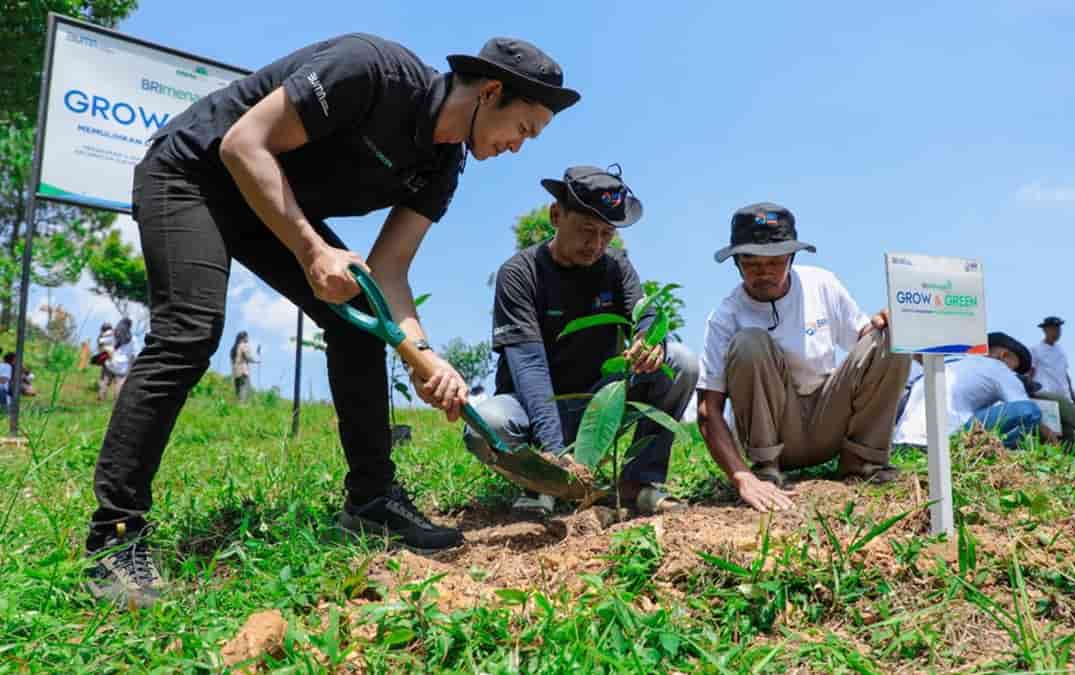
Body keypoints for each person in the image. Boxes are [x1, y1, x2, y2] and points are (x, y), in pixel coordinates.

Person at [84, 34, 581, 609]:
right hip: (193, 172)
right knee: (190, 331)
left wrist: (424, 358)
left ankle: (372, 505)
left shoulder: (442, 166)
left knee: (358, 319)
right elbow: (243, 144)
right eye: (524, 128)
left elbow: (388, 273)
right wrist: (311, 250)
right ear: (491, 92)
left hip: (264, 207)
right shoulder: (371, 71)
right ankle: (114, 538)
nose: (520, 146)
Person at [465, 165, 699, 516]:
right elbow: (529, 367)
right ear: (556, 215)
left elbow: (645, 313)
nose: (596, 245)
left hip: (599, 405)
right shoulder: (519, 274)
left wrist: (650, 341)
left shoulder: (617, 267)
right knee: (486, 425)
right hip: (532, 408)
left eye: (607, 233)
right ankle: (540, 484)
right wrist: (554, 452)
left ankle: (639, 484)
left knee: (680, 362)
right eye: (587, 230)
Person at [695, 203, 910, 513]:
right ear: (737, 263)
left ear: (791, 258)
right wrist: (741, 477)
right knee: (749, 343)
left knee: (892, 336)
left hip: (829, 419)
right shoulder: (725, 317)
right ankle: (766, 469)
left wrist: (891, 324)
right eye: (752, 263)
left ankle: (863, 462)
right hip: (774, 434)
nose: (764, 273)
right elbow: (707, 410)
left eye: (774, 262)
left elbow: (866, 344)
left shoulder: (821, 284)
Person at [895, 332, 1057, 449]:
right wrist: (1054, 444)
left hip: (902, 441)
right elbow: (1025, 409)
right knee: (1030, 411)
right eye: (1014, 368)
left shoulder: (949, 362)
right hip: (943, 441)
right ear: (1004, 355)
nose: (1013, 374)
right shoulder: (998, 367)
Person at [1030, 316, 1075, 405]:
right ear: (1045, 330)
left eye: (1058, 329)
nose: (1057, 332)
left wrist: (1074, 398)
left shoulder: (1061, 351)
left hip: (1065, 398)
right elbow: (1030, 373)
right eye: (1053, 329)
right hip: (1047, 397)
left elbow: (1065, 375)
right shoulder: (1035, 350)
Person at [102, 318, 137, 398]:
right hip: (122, 366)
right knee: (119, 385)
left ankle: (101, 398)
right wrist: (131, 366)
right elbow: (134, 354)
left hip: (110, 362)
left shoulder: (112, 333)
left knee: (105, 382)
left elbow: (103, 342)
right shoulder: (133, 339)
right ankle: (116, 401)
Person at [230, 331, 258, 403]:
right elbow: (248, 357)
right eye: (247, 337)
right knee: (245, 391)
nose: (248, 338)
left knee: (238, 392)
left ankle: (237, 408)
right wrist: (256, 361)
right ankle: (242, 408)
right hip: (243, 372)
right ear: (244, 337)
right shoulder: (244, 345)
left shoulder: (233, 348)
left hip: (235, 373)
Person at [95, 322, 117, 401]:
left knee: (104, 378)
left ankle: (101, 396)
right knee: (117, 381)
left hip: (107, 359)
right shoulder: (116, 334)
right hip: (118, 360)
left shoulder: (101, 337)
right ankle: (117, 399)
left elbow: (100, 348)